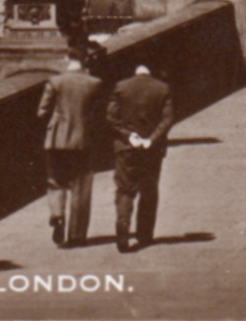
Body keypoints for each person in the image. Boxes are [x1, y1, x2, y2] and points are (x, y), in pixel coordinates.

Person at [37, 48, 104, 248]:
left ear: (67, 59)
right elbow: (100, 114)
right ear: (85, 62)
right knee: (81, 187)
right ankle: (77, 235)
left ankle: (57, 215)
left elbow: (41, 112)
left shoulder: (55, 82)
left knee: (55, 181)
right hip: (83, 140)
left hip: (57, 139)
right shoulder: (95, 83)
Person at [107, 63, 174, 252]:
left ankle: (123, 225)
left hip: (126, 148)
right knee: (149, 190)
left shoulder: (121, 87)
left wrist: (130, 136)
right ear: (149, 71)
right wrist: (151, 139)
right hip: (151, 150)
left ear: (135, 70)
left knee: (125, 189)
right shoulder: (162, 88)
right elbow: (167, 119)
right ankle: (144, 235)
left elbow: (111, 117)